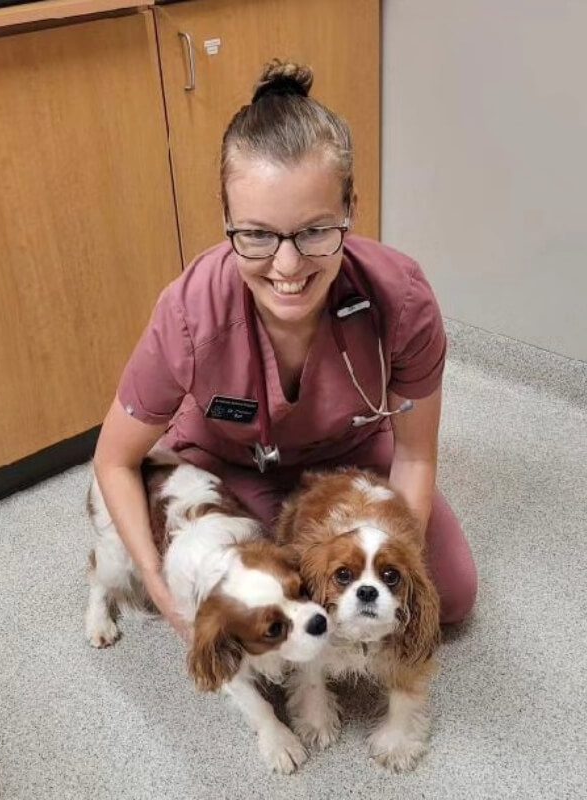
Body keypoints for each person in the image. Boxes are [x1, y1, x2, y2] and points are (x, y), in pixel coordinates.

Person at [92, 60, 477, 640]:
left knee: (448, 594)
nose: (288, 266)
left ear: (351, 207)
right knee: (281, 593)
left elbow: (415, 458)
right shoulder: (190, 311)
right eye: (256, 234)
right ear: (226, 219)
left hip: (353, 455)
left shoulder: (400, 298)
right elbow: (114, 460)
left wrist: (399, 568)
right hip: (229, 463)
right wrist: (156, 582)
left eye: (316, 231)